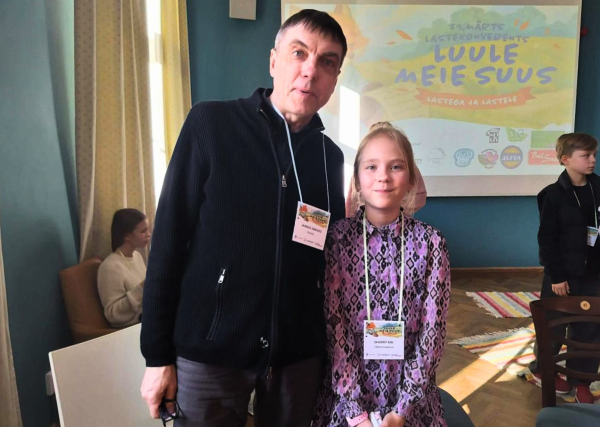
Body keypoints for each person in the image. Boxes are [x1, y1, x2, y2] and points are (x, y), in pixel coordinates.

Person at [139, 9, 347, 427]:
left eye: (327, 62)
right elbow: (167, 243)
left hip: (296, 358)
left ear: (335, 78)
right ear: (273, 61)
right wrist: (157, 356)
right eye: (299, 53)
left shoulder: (330, 158)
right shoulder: (211, 125)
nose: (310, 70)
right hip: (210, 351)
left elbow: (329, 263)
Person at [314, 122, 451, 427]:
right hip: (348, 399)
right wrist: (355, 413)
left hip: (411, 402)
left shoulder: (431, 243)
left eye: (396, 166)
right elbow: (334, 328)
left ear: (411, 178)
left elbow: (432, 333)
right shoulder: (337, 239)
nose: (383, 176)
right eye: (372, 166)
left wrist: (401, 410)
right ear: (357, 179)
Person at [528, 132, 600, 404]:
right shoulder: (552, 195)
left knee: (589, 328)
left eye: (594, 155)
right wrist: (556, 276)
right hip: (562, 276)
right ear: (565, 159)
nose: (593, 160)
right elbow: (546, 239)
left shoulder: (599, 188)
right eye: (586, 155)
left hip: (593, 274)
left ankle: (581, 380)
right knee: (553, 327)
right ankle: (542, 369)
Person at [97, 208, 150, 328]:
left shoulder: (137, 256)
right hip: (133, 327)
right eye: (143, 231)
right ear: (127, 236)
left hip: (150, 317)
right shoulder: (110, 267)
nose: (148, 234)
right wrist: (143, 287)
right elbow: (112, 314)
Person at [345, 167, 427, 218]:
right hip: (362, 227)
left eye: (395, 167)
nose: (383, 178)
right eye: (372, 167)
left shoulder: (407, 163)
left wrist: (396, 206)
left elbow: (420, 195)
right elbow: (352, 200)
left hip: (400, 227)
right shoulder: (362, 164)